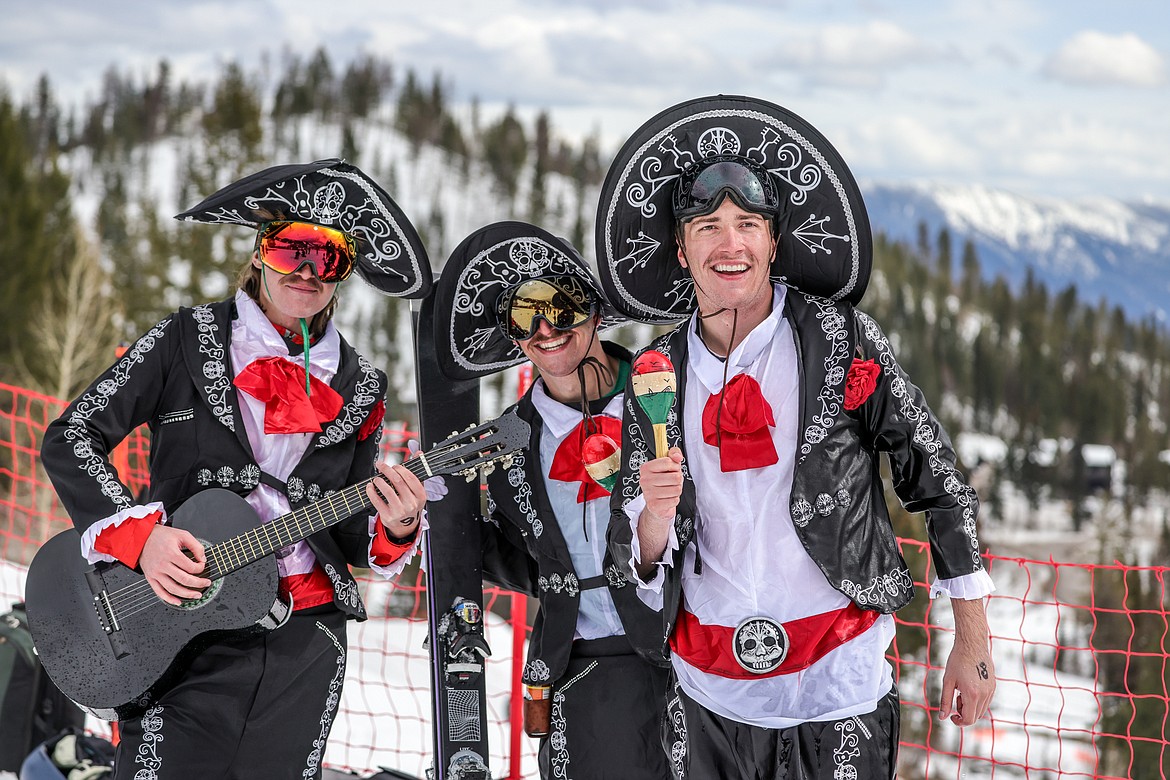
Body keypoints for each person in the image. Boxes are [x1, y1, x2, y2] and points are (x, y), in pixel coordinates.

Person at [596, 96, 996, 779]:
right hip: (711, 687)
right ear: (681, 247)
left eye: (748, 224)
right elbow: (638, 549)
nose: (731, 245)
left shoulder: (838, 341)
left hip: (837, 676)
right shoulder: (657, 372)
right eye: (709, 227)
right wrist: (654, 518)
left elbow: (938, 480)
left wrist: (973, 639)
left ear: (773, 243)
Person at [39, 159, 435, 780]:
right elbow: (72, 436)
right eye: (290, 251)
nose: (307, 271)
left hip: (306, 644)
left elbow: (352, 536)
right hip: (182, 623)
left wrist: (399, 525)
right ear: (259, 254)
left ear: (343, 274)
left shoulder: (363, 387)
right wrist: (140, 538)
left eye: (327, 257)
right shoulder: (185, 337)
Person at [432, 221, 669, 779]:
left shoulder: (666, 394)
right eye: (523, 315)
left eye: (562, 308)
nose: (545, 329)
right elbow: (524, 561)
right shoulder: (510, 441)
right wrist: (431, 515)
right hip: (578, 665)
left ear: (597, 313)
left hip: (684, 650)